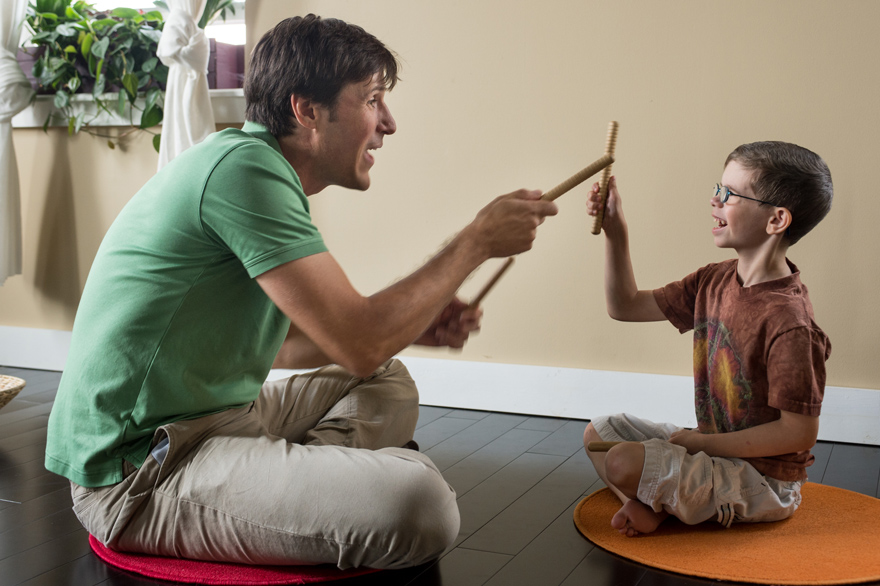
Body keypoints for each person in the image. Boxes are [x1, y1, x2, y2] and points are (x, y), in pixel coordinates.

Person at [45, 15, 558, 569]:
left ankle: (284, 492)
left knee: (388, 380)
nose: (388, 123)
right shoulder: (244, 171)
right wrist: (476, 241)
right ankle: (289, 493)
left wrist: (415, 322)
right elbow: (358, 339)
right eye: (372, 99)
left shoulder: (256, 166)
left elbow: (287, 346)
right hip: (138, 471)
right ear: (306, 110)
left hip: (219, 420)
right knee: (423, 501)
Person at [583, 141, 833, 537]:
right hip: (711, 450)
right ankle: (654, 503)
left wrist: (699, 444)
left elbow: (798, 432)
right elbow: (625, 305)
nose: (715, 201)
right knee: (601, 431)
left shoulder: (791, 322)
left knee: (621, 464)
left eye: (730, 194)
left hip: (763, 481)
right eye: (718, 189)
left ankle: (658, 501)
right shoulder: (713, 280)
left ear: (776, 220)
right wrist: (616, 231)